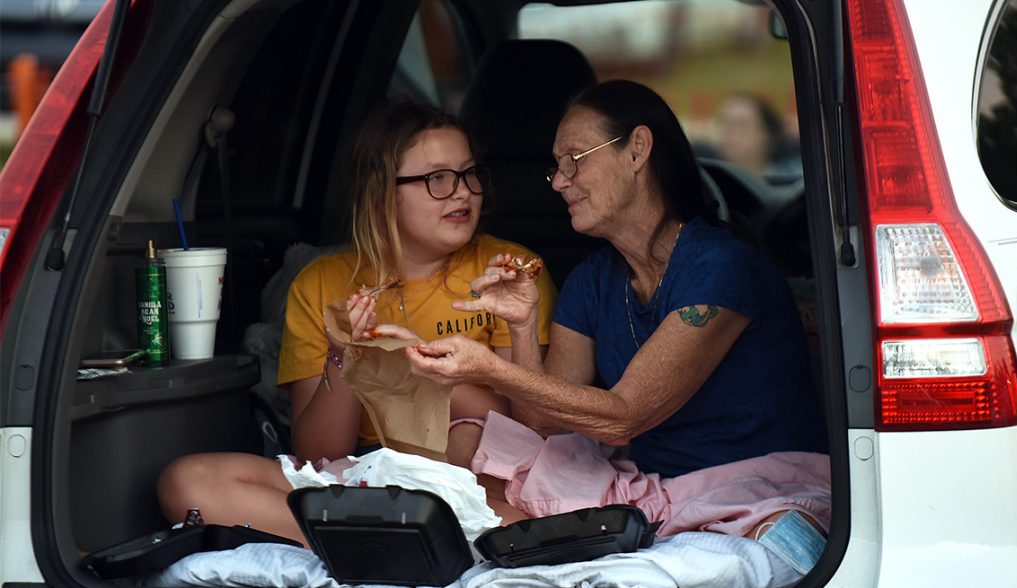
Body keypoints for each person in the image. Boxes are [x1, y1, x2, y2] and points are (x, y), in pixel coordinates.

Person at [405, 80, 828, 531]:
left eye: (575, 160)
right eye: (556, 168)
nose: (560, 181)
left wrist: (488, 368)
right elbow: (544, 423)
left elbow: (624, 418)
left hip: (756, 487)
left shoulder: (721, 266)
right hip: (653, 487)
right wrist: (523, 327)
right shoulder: (591, 281)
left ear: (637, 150)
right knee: (477, 449)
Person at [156, 100, 557, 544]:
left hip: (465, 475)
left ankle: (384, 539)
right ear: (381, 192)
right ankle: (389, 541)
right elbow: (320, 457)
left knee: (468, 440)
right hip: (361, 479)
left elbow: (527, 431)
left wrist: (414, 366)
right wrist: (345, 356)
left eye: (469, 173)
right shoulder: (321, 283)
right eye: (437, 179)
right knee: (187, 481)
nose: (462, 192)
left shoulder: (507, 271)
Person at [715, 92, 802, 179]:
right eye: (726, 123)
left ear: (767, 136)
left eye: (741, 124)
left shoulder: (795, 179)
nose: (728, 131)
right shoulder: (709, 181)